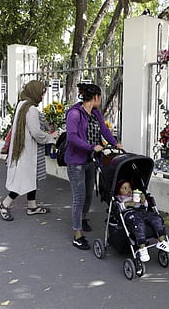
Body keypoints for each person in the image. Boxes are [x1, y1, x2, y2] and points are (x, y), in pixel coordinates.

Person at [65, 83, 123, 250]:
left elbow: (104, 130)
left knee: (89, 193)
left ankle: (82, 219)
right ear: (96, 97)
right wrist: (91, 147)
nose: (101, 100)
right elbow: (72, 137)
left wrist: (115, 143)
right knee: (79, 197)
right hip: (76, 161)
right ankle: (77, 234)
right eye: (100, 97)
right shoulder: (74, 114)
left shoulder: (96, 113)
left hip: (91, 159)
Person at [0, 80, 58, 221]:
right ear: (35, 92)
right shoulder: (31, 110)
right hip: (27, 150)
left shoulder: (22, 104)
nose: (43, 97)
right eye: (42, 94)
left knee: (32, 177)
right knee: (23, 179)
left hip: (22, 148)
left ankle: (32, 206)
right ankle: (4, 204)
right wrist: (51, 136)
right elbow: (36, 133)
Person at [115, 180, 169, 262]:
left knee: (156, 218)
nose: (128, 190)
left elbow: (145, 206)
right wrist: (127, 204)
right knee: (139, 224)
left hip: (143, 212)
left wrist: (143, 201)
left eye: (129, 187)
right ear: (119, 191)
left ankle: (162, 241)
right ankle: (142, 248)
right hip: (131, 214)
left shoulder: (135, 195)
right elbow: (118, 208)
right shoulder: (119, 199)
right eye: (124, 188)